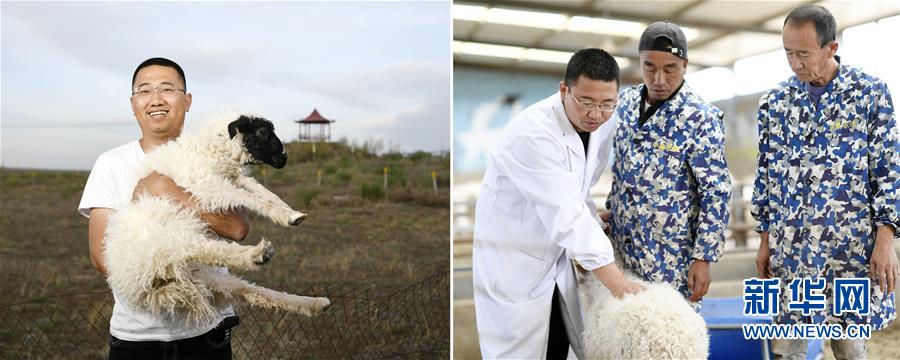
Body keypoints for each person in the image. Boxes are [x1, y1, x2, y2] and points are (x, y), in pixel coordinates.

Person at [472, 48, 646, 359]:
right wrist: (618, 284)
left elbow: (577, 190)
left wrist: (594, 220)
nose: (596, 114)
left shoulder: (602, 124)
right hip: (516, 259)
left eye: (607, 104)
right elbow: (566, 214)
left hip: (555, 256)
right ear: (564, 90)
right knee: (522, 350)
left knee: (559, 342)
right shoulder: (533, 133)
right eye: (586, 102)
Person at [752, 4, 899, 359]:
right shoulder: (774, 103)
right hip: (793, 254)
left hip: (848, 253)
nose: (795, 63)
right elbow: (766, 178)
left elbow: (889, 170)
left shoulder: (869, 94)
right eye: (788, 53)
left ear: (831, 48)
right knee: (788, 349)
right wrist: (764, 240)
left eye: (804, 53)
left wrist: (886, 239)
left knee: (850, 348)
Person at [78, 57, 249, 359]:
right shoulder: (111, 163)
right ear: (133, 104)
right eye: (144, 91)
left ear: (187, 100)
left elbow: (236, 227)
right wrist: (167, 285)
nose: (155, 99)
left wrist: (165, 189)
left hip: (206, 334)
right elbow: (100, 256)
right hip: (136, 337)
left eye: (167, 89)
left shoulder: (215, 158)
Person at [603, 21, 732, 309]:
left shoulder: (700, 118)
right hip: (623, 252)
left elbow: (716, 193)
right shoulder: (623, 104)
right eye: (649, 67)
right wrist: (611, 211)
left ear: (684, 65)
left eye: (670, 68)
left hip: (671, 259)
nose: (658, 78)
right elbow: (621, 169)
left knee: (674, 339)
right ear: (640, 61)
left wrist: (703, 258)